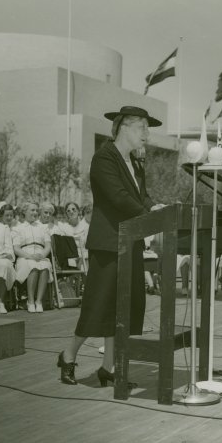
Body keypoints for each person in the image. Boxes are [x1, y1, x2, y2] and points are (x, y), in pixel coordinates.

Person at [58, 105, 164, 386]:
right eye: (143, 128)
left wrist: (157, 207)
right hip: (108, 244)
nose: (147, 134)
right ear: (124, 127)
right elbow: (118, 197)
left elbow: (142, 196)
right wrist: (150, 216)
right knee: (98, 305)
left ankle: (110, 368)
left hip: (131, 242)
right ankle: (68, 355)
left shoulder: (136, 162)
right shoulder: (104, 158)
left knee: (124, 308)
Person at [12, 202, 52, 313]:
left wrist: (42, 255)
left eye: (36, 210)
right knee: (32, 266)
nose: (35, 212)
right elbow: (16, 248)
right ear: (24, 212)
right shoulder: (17, 228)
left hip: (40, 255)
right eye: (32, 210)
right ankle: (30, 301)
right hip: (25, 256)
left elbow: (48, 246)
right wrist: (30, 256)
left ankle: (38, 301)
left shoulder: (43, 227)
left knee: (45, 266)